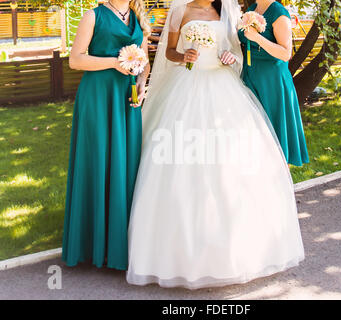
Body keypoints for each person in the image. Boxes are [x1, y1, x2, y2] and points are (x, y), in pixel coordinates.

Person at [126, 0, 304, 289]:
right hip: (187, 84)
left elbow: (236, 48)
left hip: (223, 87)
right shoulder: (179, 11)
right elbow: (169, 51)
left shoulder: (228, 11)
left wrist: (229, 58)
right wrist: (184, 54)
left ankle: (240, 247)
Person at [62, 0, 150, 270]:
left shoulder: (138, 17)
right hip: (98, 97)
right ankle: (92, 245)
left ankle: (120, 246)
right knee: (98, 161)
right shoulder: (93, 15)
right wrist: (115, 62)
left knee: (126, 164)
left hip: (127, 98)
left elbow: (144, 61)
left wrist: (141, 86)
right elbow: (75, 60)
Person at [238, 0, 309, 166]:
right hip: (251, 75)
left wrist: (256, 37)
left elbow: (285, 53)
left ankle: (278, 176)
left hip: (272, 81)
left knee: (273, 130)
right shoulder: (253, 9)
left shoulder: (278, 11)